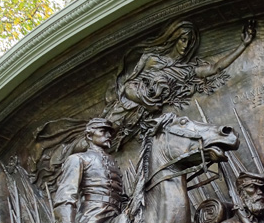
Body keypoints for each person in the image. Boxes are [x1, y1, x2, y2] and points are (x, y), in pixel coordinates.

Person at [104, 19, 255, 148]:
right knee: (102, 134)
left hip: (142, 120)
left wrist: (243, 45)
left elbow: (215, 68)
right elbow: (129, 86)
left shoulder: (185, 71)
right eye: (183, 40)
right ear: (173, 38)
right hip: (126, 108)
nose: (186, 45)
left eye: (189, 42)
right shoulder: (151, 58)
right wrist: (146, 102)